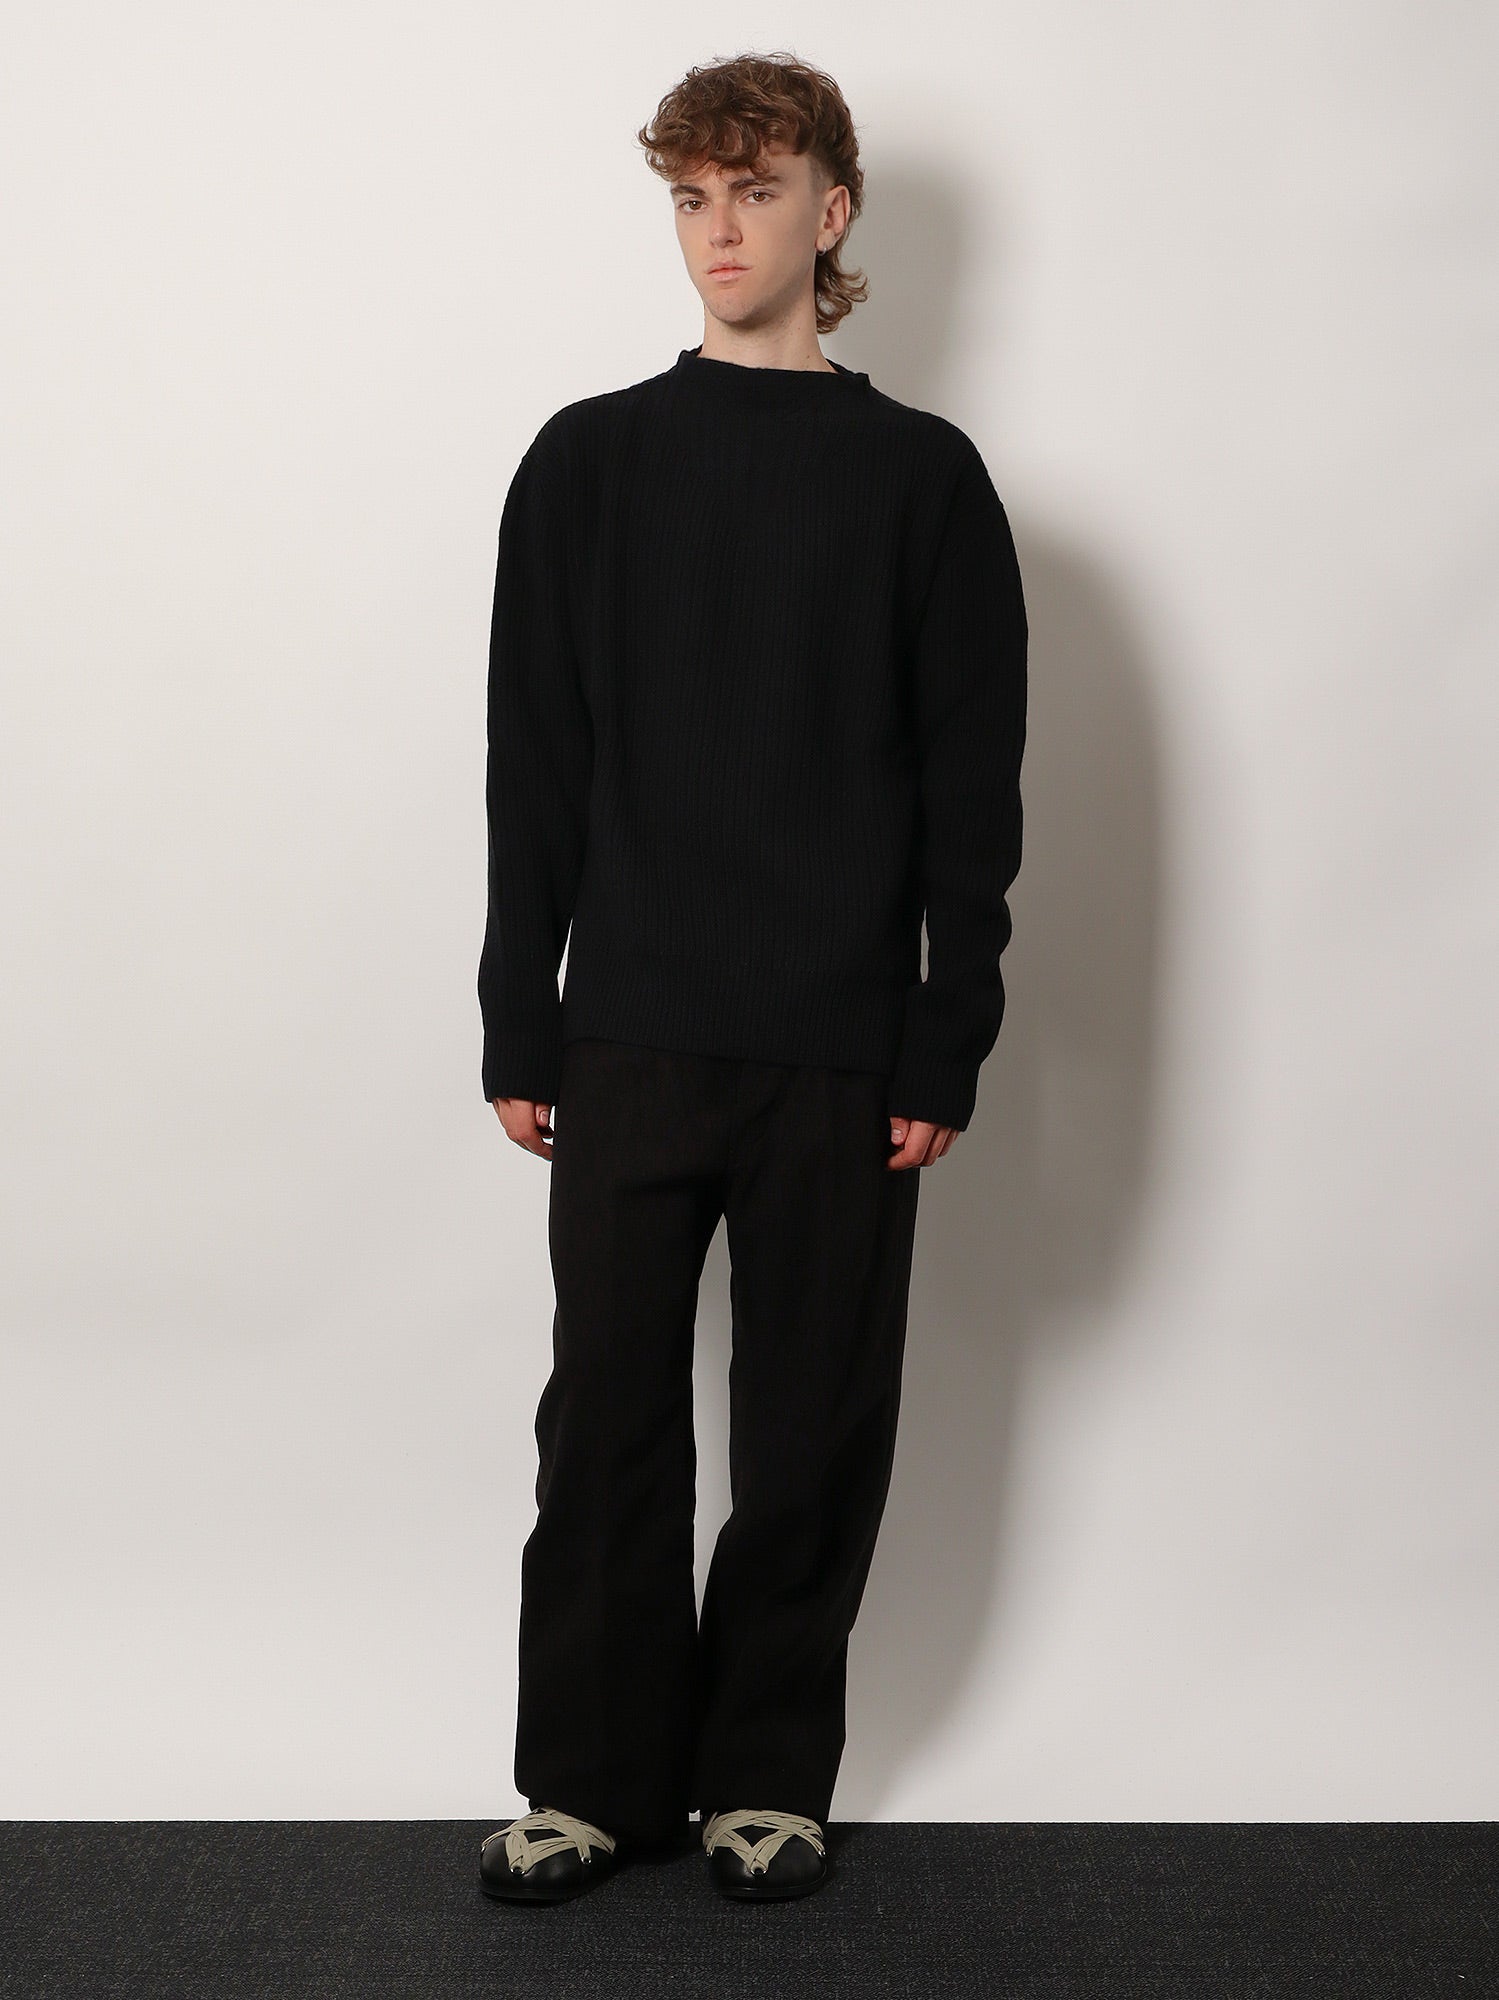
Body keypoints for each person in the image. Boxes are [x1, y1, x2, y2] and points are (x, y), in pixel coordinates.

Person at [476, 51, 1027, 1906]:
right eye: (693, 198)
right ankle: (591, 1781)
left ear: (831, 210)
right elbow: (537, 765)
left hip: (840, 1047)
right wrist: (519, 1009)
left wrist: (945, 1037)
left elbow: (971, 793)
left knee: (811, 1428)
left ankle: (765, 1775)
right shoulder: (587, 464)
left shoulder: (924, 482)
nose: (719, 231)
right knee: (607, 1420)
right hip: (630, 1027)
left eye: (757, 191)